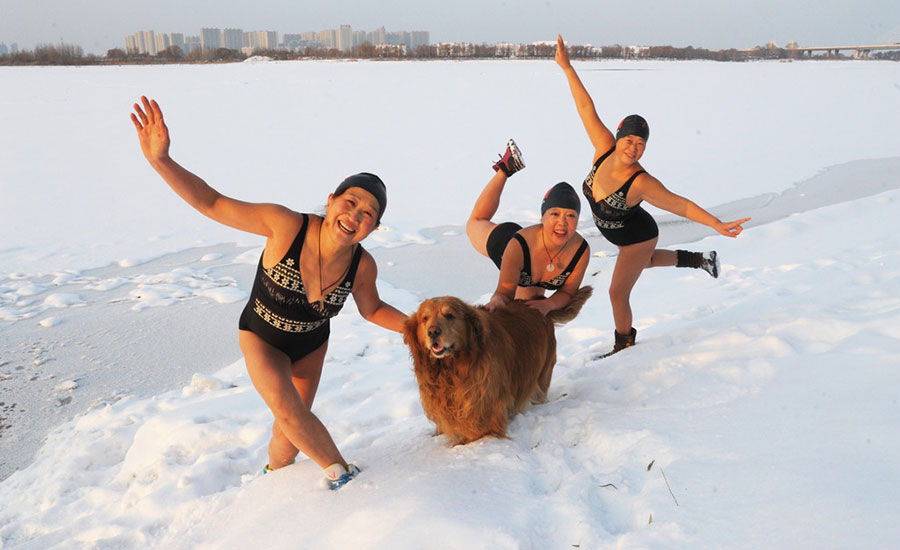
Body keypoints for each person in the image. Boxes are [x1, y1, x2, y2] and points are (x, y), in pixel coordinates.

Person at [130, 96, 407, 489]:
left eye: (368, 214)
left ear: (373, 228)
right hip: (263, 338)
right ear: (331, 201)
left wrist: (419, 328)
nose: (355, 216)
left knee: (288, 436)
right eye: (350, 202)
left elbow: (373, 309)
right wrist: (162, 161)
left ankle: (271, 482)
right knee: (291, 413)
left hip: (311, 347)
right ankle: (345, 478)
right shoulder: (285, 226)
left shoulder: (363, 265)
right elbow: (212, 202)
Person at [554, 35, 752, 357]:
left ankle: (624, 344)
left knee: (618, 292)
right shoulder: (603, 148)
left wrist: (716, 224)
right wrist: (567, 67)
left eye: (640, 144)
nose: (633, 148)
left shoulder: (642, 182)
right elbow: (585, 107)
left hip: (637, 237)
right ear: (618, 138)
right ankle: (702, 259)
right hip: (621, 233)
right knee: (643, 265)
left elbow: (681, 204)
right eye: (629, 139)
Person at [466, 139, 590, 316]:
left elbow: (567, 292)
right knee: (475, 222)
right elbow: (504, 293)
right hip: (506, 243)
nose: (562, 223)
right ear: (542, 217)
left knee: (527, 315)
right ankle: (505, 169)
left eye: (571, 216)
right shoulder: (517, 246)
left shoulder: (581, 250)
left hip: (531, 278)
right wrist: (496, 301)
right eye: (554, 214)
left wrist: (548, 304)